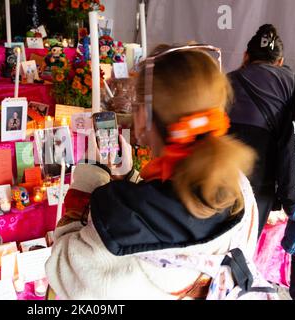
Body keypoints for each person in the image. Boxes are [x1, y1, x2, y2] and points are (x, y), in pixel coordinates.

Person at [45, 46, 259, 299]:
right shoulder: (238, 183)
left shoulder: (119, 235)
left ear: (143, 117)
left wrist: (91, 172)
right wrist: (129, 178)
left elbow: (63, 265)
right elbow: (172, 202)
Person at [227, 24, 295, 300]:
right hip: (263, 178)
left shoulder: (228, 80)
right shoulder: (294, 83)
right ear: (280, 61)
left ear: (246, 56)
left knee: (218, 239)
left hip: (223, 169)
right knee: (244, 247)